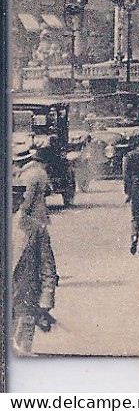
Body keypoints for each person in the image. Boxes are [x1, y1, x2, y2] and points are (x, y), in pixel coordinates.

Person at [12, 140, 59, 355]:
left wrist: (45, 302)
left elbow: (48, 268)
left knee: (21, 356)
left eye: (17, 196)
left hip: (25, 307)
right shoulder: (38, 172)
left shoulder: (36, 230)